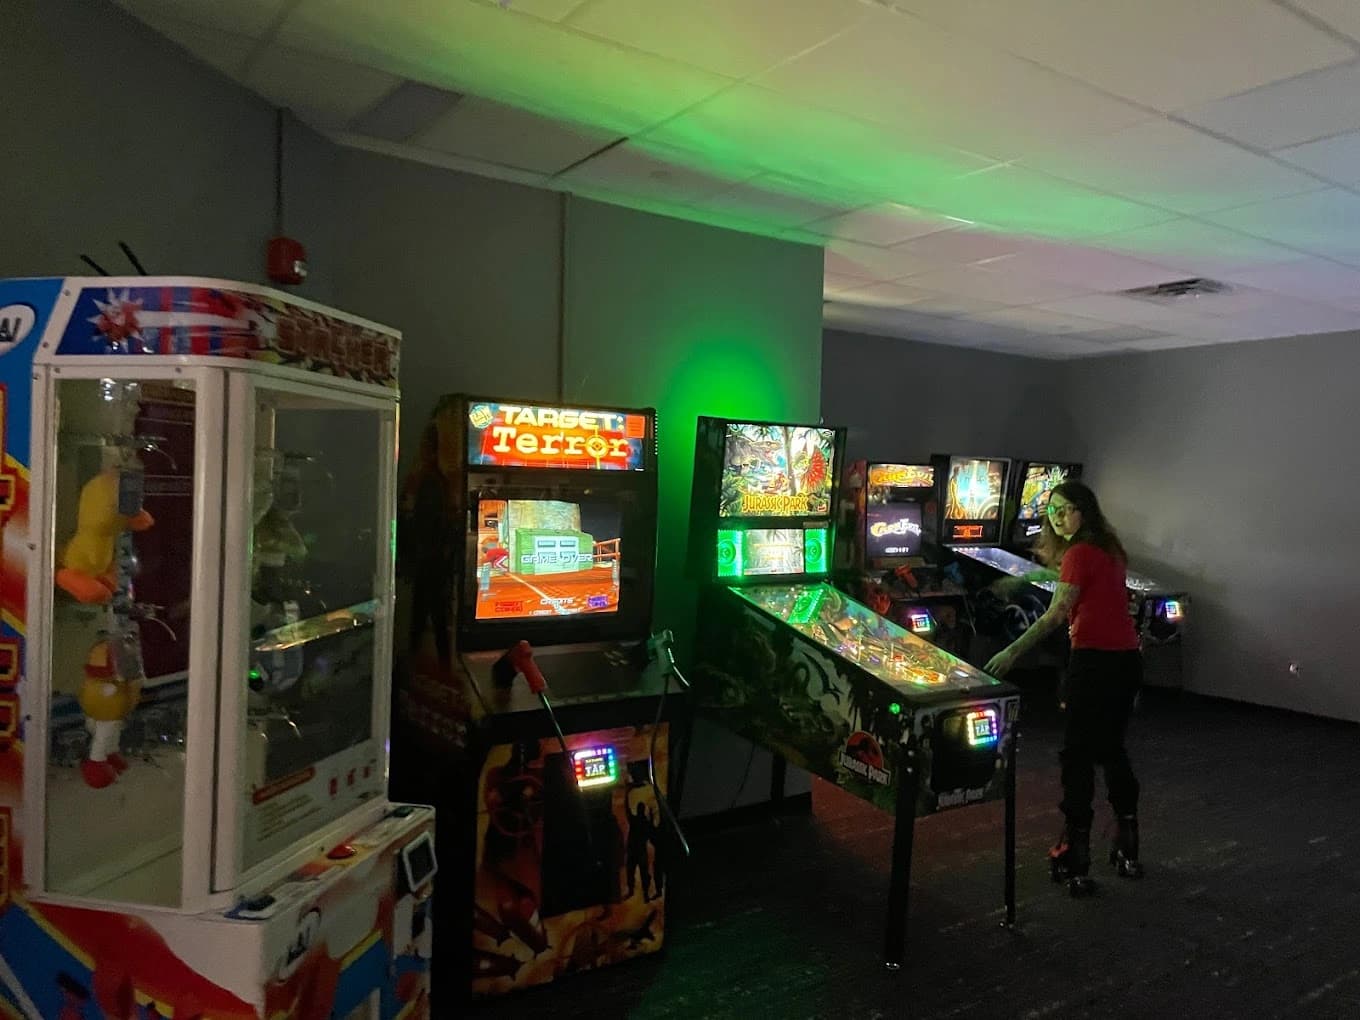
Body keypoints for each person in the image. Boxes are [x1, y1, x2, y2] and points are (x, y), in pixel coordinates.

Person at [985, 481, 1143, 896]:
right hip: (1126, 660)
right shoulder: (1108, 549)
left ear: (1084, 511)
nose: (1058, 516)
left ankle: (1076, 855)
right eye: (1052, 509)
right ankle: (1128, 845)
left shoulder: (1078, 552)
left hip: (1093, 662)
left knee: (1077, 754)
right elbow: (1072, 580)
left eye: (1067, 508)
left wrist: (1011, 653)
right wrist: (1024, 578)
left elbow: (1057, 613)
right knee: (1111, 748)